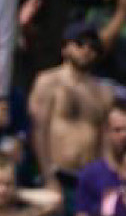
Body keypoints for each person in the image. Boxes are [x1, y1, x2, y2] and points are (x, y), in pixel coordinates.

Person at [28, 22, 114, 185]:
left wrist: (105, 177)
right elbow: (38, 131)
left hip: (91, 178)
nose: (86, 49)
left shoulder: (104, 92)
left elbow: (105, 140)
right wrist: (48, 176)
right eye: (80, 43)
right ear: (65, 48)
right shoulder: (48, 81)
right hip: (57, 173)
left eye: (92, 45)